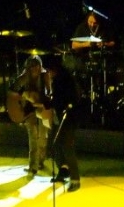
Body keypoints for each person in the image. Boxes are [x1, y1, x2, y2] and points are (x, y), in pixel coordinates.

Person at [8, 55, 52, 178]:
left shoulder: (45, 76)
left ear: (40, 66)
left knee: (43, 137)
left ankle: (40, 162)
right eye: (32, 66)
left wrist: (43, 99)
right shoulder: (23, 78)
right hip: (28, 110)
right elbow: (12, 89)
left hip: (42, 108)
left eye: (36, 66)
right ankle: (33, 167)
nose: (34, 69)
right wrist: (25, 95)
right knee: (33, 137)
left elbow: (49, 92)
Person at [45, 57, 83, 192]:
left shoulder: (65, 81)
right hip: (57, 118)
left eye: (49, 71)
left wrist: (49, 102)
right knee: (54, 146)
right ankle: (63, 171)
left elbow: (65, 100)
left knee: (67, 148)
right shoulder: (56, 81)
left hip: (67, 120)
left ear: (55, 70)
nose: (48, 73)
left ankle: (75, 180)